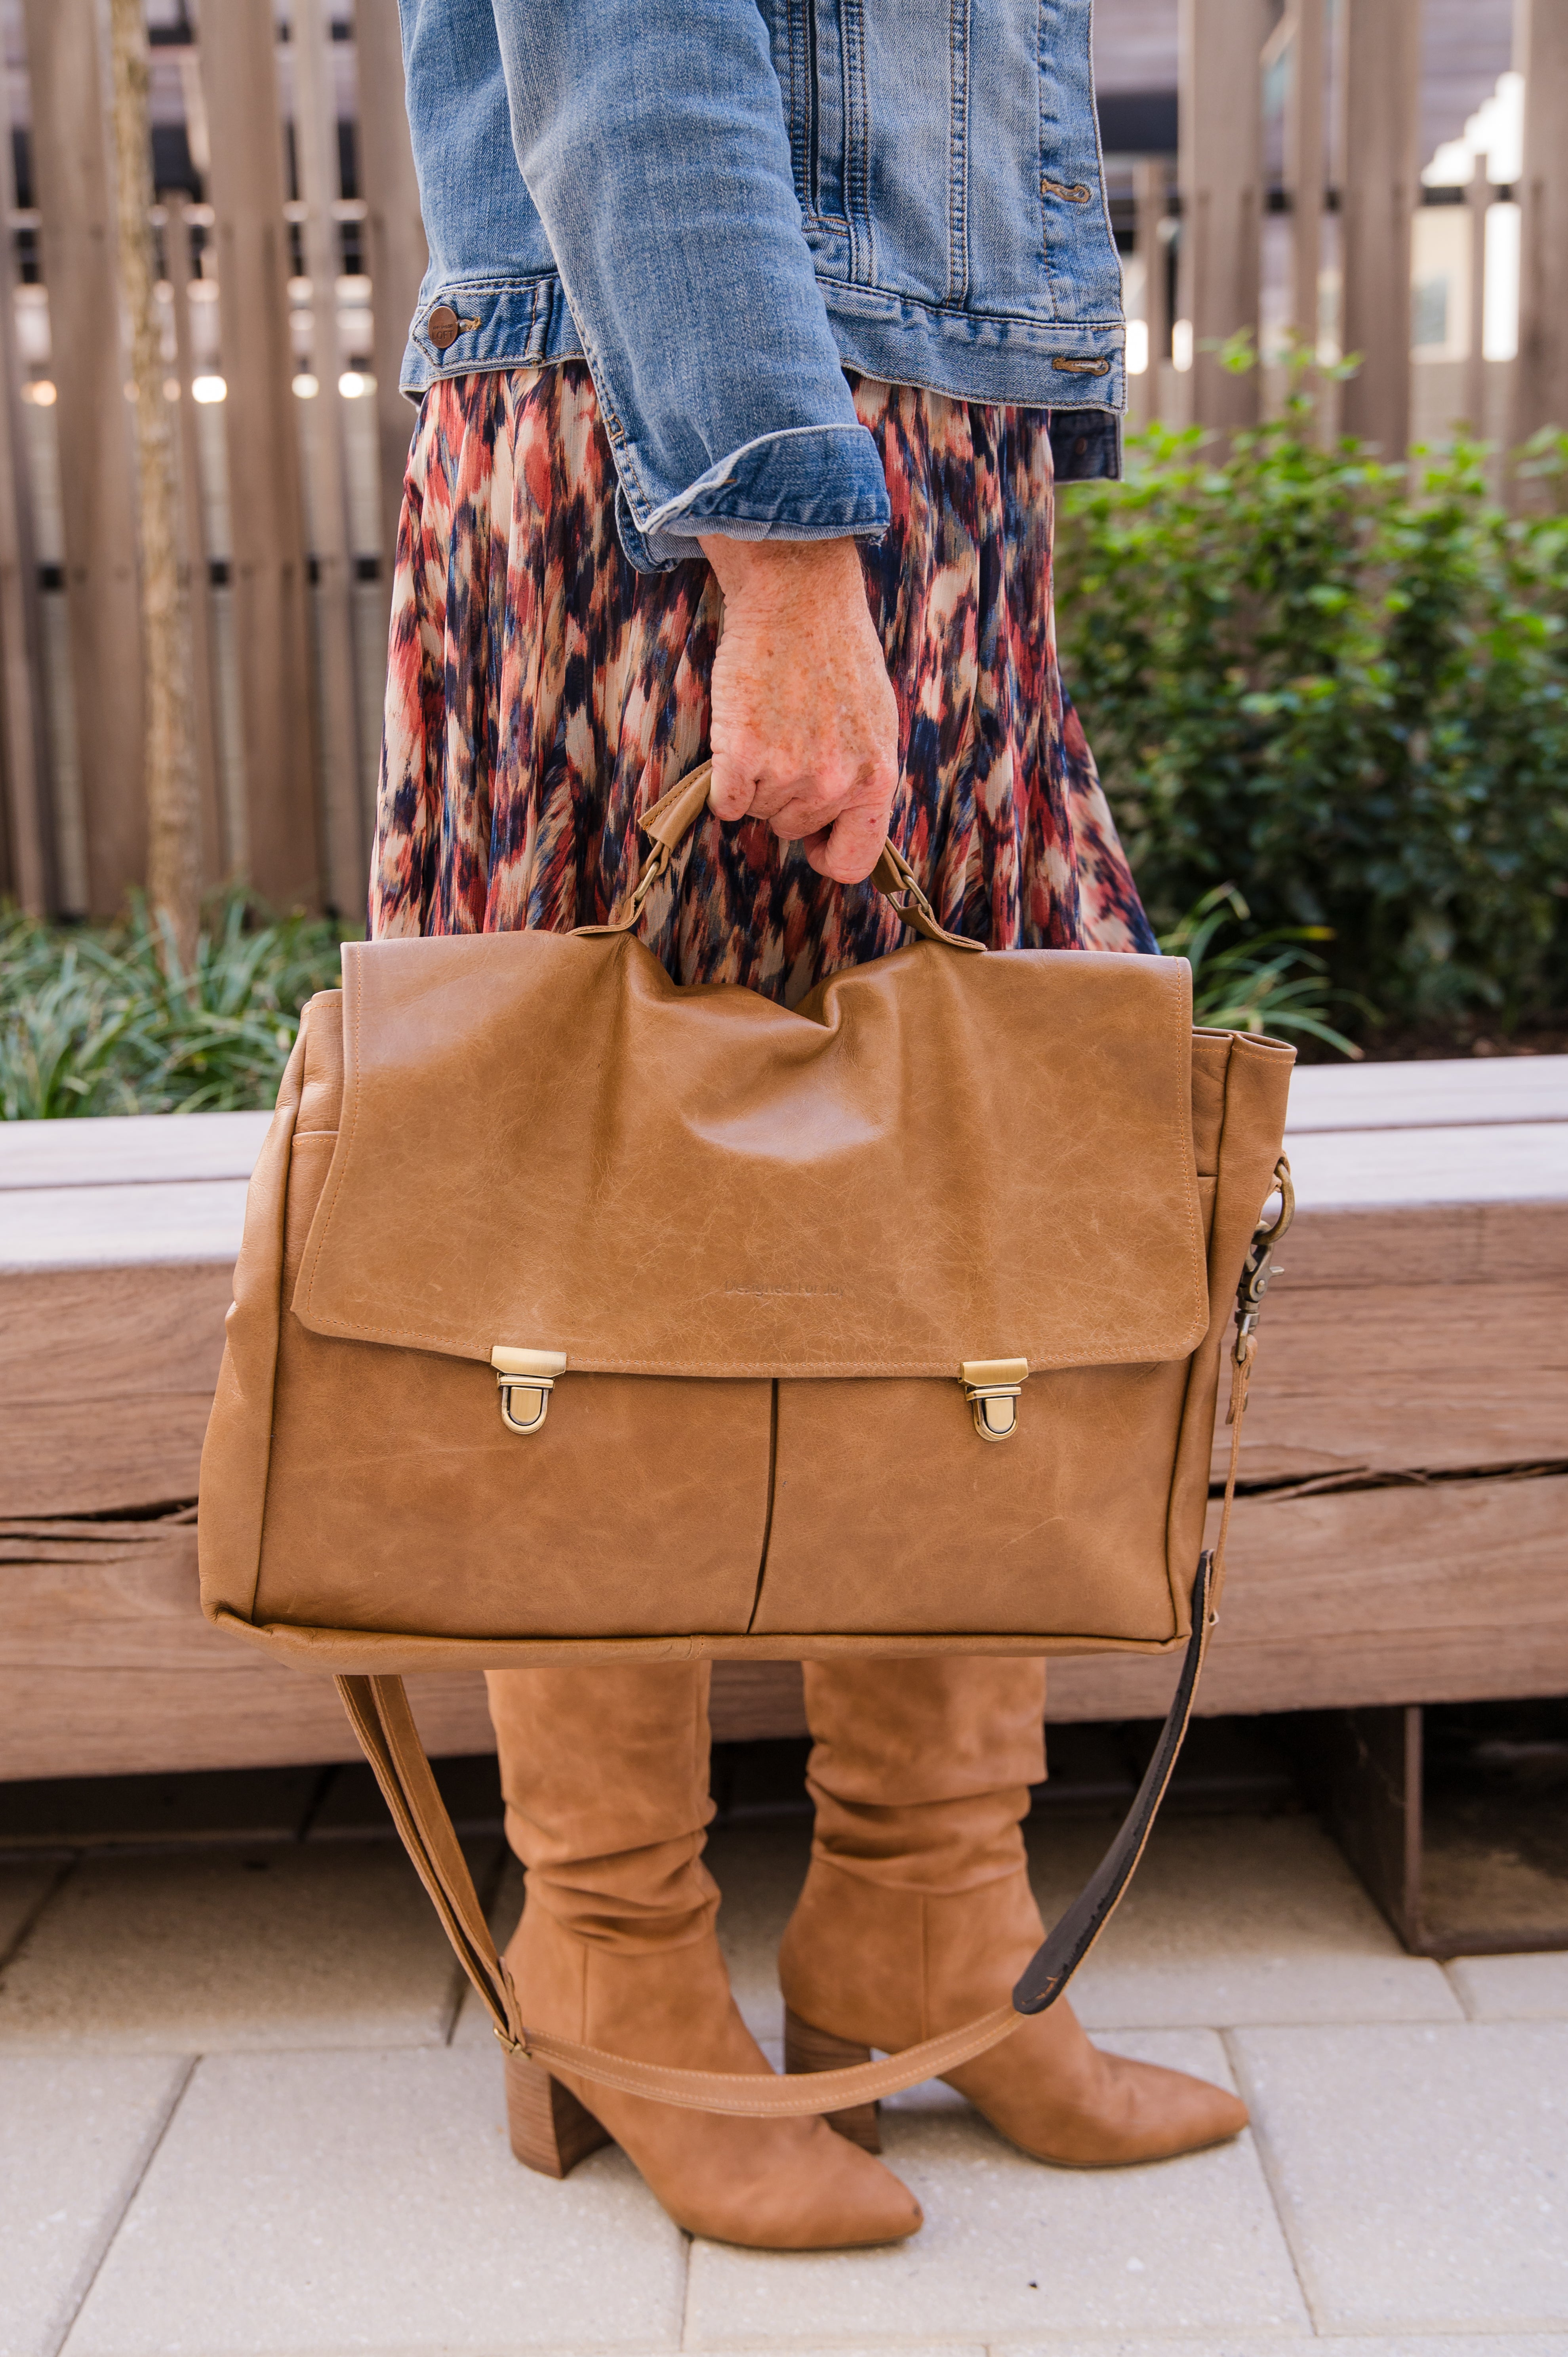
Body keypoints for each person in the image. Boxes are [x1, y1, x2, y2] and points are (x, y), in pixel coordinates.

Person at [373, 0, 1247, 2250]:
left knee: (983, 1192)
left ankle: (931, 1917)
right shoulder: (754, 498)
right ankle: (610, 1957)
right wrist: (777, 545)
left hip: (906, 463)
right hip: (696, 450)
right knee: (597, 1221)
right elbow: (626, 44)